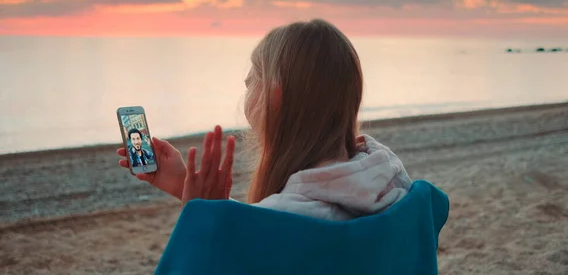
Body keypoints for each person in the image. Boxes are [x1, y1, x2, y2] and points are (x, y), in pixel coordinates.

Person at [117, 19, 412, 221]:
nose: (246, 87)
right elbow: (279, 221)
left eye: (253, 79)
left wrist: (201, 218)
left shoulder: (284, 217)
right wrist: (183, 183)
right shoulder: (393, 184)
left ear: (277, 96)